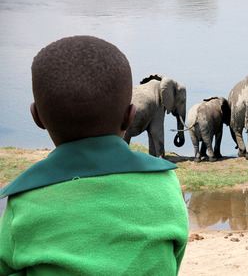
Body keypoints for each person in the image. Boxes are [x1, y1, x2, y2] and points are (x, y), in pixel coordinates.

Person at [0, 35, 189, 275]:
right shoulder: (165, 185)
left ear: (37, 118)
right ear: (130, 116)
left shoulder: (22, 203)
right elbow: (173, 259)